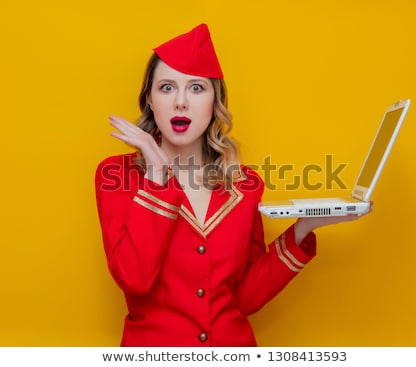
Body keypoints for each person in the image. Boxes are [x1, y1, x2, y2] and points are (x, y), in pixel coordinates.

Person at [95, 23, 372, 347]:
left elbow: (245, 298)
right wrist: (157, 175)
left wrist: (303, 229)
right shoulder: (116, 176)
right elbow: (133, 279)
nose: (181, 102)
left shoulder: (245, 184)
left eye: (196, 88)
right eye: (167, 88)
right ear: (150, 101)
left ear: (215, 102)